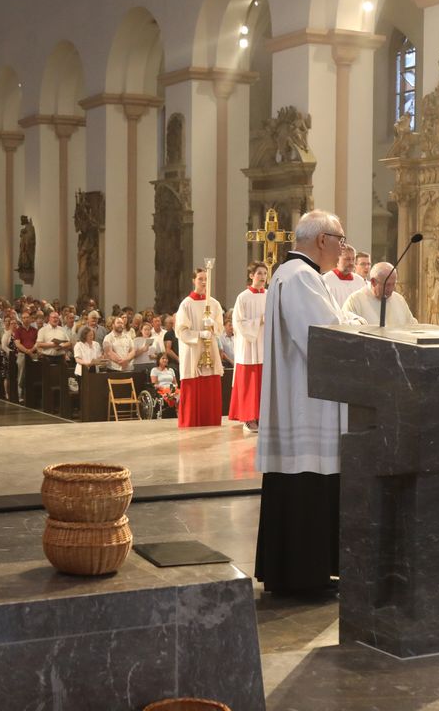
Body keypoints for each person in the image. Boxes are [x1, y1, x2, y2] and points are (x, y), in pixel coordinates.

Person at [255, 209, 350, 595]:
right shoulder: (301, 278)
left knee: (302, 489)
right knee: (308, 488)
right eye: (340, 238)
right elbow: (323, 337)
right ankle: (304, 578)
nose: (344, 246)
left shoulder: (295, 275)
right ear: (322, 240)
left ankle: (300, 574)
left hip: (300, 401)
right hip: (308, 405)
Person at [174, 267, 226, 427]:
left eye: (206, 279)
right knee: (193, 388)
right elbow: (180, 331)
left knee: (210, 388)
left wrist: (214, 325)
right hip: (193, 351)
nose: (204, 282)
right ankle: (191, 422)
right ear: (193, 281)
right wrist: (199, 335)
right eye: (200, 279)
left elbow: (220, 328)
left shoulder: (215, 304)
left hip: (210, 351)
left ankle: (210, 421)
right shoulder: (186, 304)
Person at [229, 261, 268, 432]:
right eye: (259, 273)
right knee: (250, 383)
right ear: (251, 276)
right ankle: (249, 417)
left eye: (265, 274)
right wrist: (259, 321)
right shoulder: (243, 297)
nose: (262, 277)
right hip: (249, 346)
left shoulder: (270, 295)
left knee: (263, 383)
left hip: (265, 345)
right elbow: (238, 323)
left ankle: (263, 417)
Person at [342, 261, 417, 327]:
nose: (391, 289)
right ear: (373, 282)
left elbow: (411, 325)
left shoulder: (399, 299)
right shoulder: (355, 300)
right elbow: (347, 330)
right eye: (387, 285)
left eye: (393, 284)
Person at [321, 243, 364, 308]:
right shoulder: (326, 280)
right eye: (347, 259)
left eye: (353, 259)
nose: (351, 263)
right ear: (337, 259)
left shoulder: (360, 281)